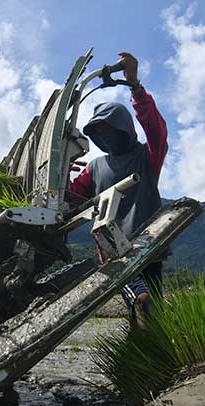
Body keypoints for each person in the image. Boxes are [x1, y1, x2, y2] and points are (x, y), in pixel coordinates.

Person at [70, 51, 168, 329]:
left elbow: (156, 130)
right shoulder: (94, 168)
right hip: (125, 250)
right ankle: (149, 351)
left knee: (143, 303)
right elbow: (71, 200)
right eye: (99, 133)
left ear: (123, 128)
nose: (105, 137)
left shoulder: (147, 155)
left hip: (143, 246)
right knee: (148, 308)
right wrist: (63, 170)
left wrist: (135, 87)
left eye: (109, 130)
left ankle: (146, 348)